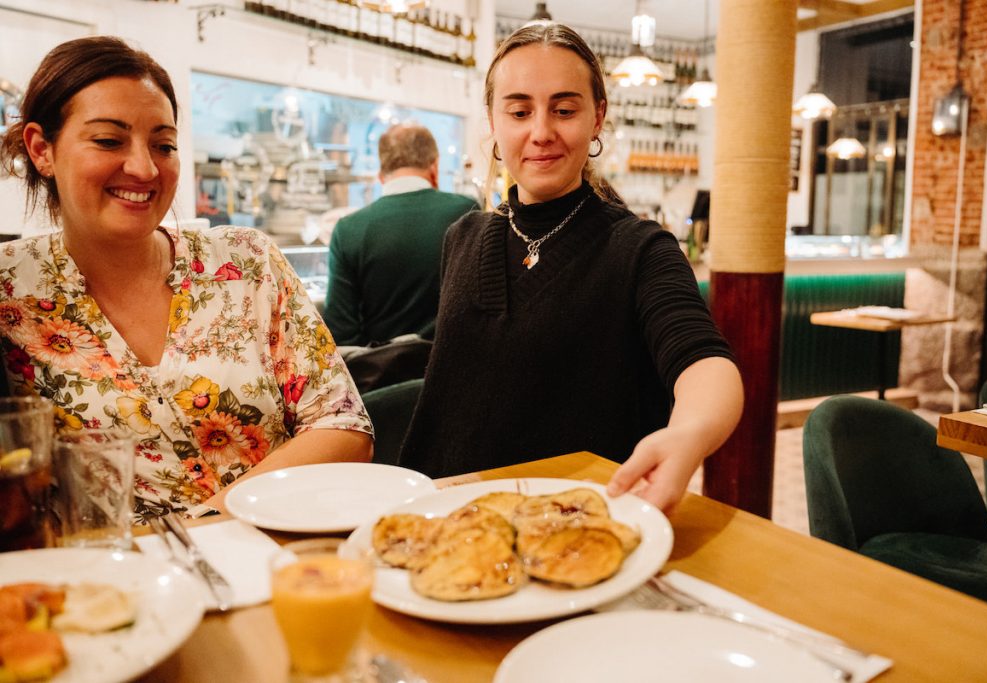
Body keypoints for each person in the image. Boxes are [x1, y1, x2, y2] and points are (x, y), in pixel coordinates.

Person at [0, 36, 372, 519]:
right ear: (41, 149)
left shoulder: (246, 263)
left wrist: (207, 526)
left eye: (164, 144)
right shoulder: (12, 290)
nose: (144, 167)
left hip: (281, 557)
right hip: (109, 581)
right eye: (109, 140)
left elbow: (344, 426)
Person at [398, 23, 743, 512]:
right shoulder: (462, 237)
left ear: (597, 117)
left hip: (574, 527)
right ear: (493, 122)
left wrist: (689, 434)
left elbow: (704, 362)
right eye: (519, 111)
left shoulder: (640, 249)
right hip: (445, 519)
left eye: (564, 110)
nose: (541, 132)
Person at [323, 123, 478, 347]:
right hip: (456, 369)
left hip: (383, 377)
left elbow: (341, 334)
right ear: (434, 167)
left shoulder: (348, 230)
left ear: (381, 175)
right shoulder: (466, 212)